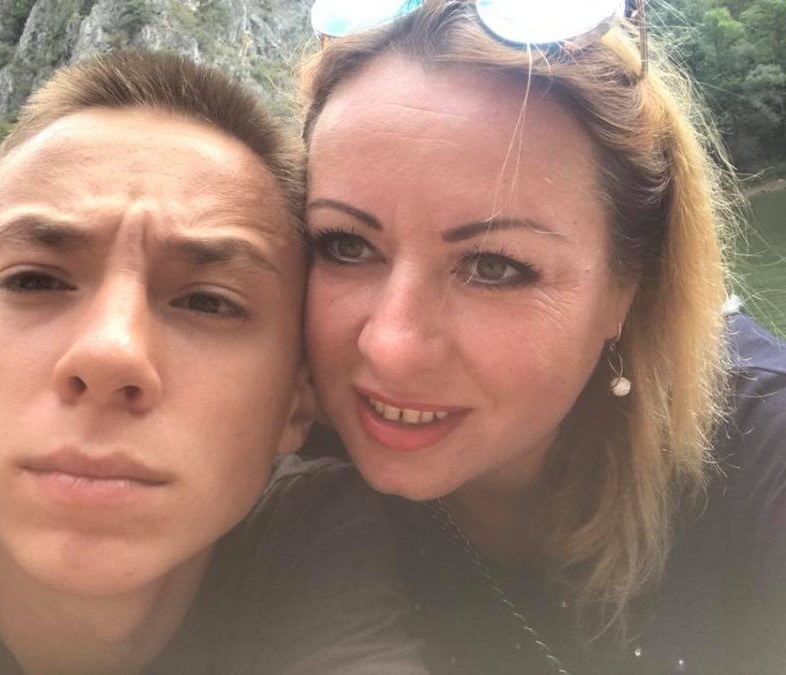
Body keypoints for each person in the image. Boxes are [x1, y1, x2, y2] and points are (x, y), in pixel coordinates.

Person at [0, 49, 427, 674]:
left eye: (208, 302)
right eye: (35, 281)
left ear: (295, 402)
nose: (110, 353)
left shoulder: (309, 535)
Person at [297, 0, 786, 673]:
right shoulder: (273, 460)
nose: (392, 346)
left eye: (494, 267)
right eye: (345, 245)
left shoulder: (762, 462)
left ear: (631, 284)